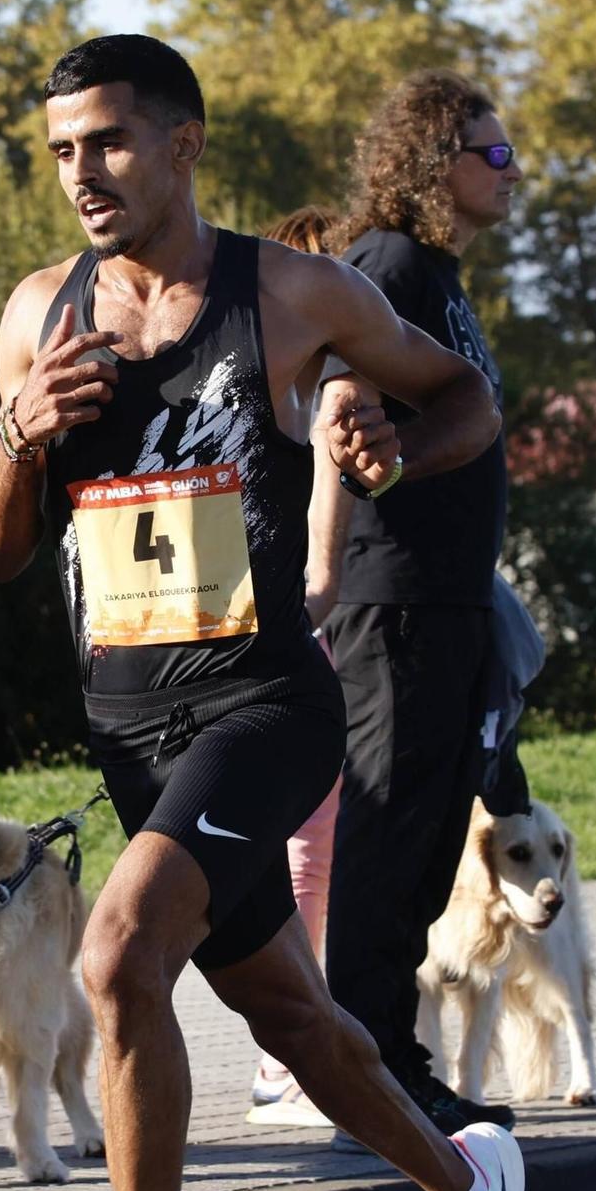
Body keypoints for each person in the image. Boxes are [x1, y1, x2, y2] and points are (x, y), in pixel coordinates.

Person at [0, 35, 561, 1191]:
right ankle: (469, 1188)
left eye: (107, 142)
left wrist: (397, 453)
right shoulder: (39, 313)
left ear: (182, 144)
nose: (81, 173)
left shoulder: (289, 292)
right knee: (296, 1025)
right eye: (59, 151)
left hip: (263, 705)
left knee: (117, 957)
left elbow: (464, 397)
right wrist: (16, 433)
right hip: (127, 724)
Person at [320, 71, 532, 1152]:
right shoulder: (388, 265)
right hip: (393, 601)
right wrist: (329, 550)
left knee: (428, 834)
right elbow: (334, 399)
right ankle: (364, 1080)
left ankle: (392, 1068)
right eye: (492, 153)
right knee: (387, 837)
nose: (511, 171)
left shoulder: (436, 275)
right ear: (432, 163)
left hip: (444, 602)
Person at [247, 206, 362, 1129]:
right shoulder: (300, 394)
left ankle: (287, 1057)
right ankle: (285, 1059)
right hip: (258, 649)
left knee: (304, 859)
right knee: (293, 862)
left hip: (282, 641)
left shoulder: (323, 393)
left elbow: (322, 570)